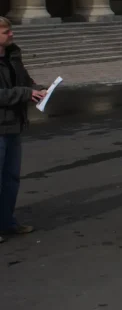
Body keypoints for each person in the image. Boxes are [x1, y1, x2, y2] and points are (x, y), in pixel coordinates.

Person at [0, 17, 46, 243]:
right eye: (7, 32)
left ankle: (7, 223)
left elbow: (26, 81)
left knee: (10, 179)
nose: (12, 35)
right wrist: (26, 94)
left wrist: (39, 90)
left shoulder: (13, 56)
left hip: (13, 125)